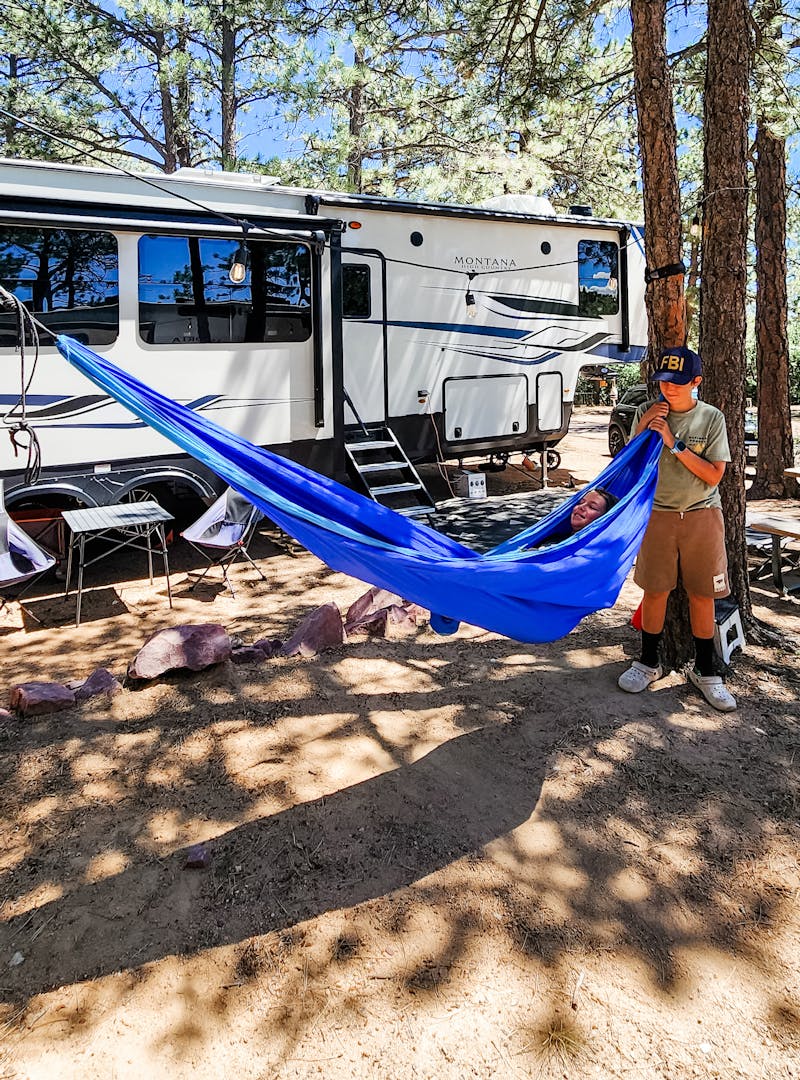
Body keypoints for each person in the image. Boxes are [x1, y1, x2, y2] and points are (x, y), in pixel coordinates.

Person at [617, 346, 736, 711]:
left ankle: (705, 671)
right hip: (657, 515)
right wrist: (645, 424)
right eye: (664, 382)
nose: (669, 390)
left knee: (703, 595)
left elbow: (714, 476)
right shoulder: (646, 410)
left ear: (696, 382)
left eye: (678, 383)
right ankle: (648, 662)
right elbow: (628, 463)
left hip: (701, 515)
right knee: (655, 591)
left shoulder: (711, 418)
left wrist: (674, 442)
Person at [536, 486, 618, 547]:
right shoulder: (554, 537)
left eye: (592, 507)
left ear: (604, 518)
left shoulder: (592, 551)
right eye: (580, 503)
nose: (581, 507)